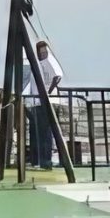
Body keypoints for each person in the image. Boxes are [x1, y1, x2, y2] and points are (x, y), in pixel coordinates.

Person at [23, 40, 65, 169]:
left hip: (46, 101)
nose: (43, 54)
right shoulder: (37, 64)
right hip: (36, 102)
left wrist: (48, 92)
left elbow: (57, 76)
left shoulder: (49, 62)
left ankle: (45, 161)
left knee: (45, 133)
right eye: (41, 52)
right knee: (36, 132)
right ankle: (37, 160)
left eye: (44, 52)